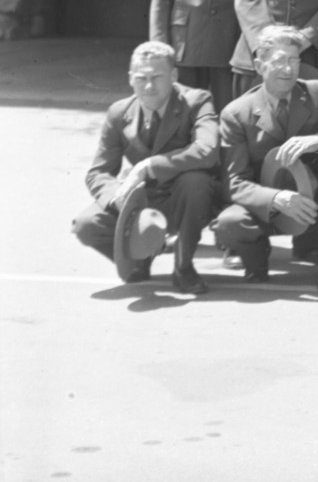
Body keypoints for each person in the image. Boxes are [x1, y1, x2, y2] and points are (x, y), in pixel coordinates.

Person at [214, 27, 318, 291]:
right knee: (230, 223)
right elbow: (234, 183)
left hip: (315, 200)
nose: (288, 69)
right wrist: (276, 199)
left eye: (294, 60)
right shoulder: (236, 114)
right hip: (268, 208)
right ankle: (256, 258)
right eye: (280, 60)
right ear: (259, 65)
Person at [72, 42, 219, 294]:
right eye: (141, 78)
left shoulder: (197, 101)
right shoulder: (119, 112)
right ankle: (142, 254)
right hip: (141, 201)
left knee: (195, 181)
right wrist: (117, 199)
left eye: (157, 77)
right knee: (86, 225)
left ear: (173, 76)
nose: (148, 86)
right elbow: (98, 172)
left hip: (186, 199)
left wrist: (150, 166)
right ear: (130, 78)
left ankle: (183, 267)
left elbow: (207, 150)